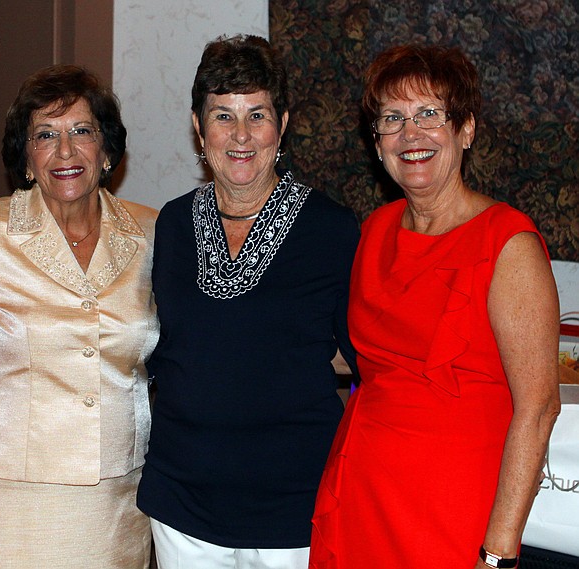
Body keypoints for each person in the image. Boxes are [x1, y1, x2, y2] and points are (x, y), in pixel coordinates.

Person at [309, 45, 561, 569]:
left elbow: (538, 409)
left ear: (465, 129)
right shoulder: (373, 232)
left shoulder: (507, 243)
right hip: (361, 497)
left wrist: (498, 553)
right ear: (376, 142)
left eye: (430, 114)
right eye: (393, 119)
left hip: (455, 515)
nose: (411, 134)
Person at [136, 35, 360, 569]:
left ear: (282, 124)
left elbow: (364, 363)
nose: (240, 136)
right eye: (222, 116)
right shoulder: (170, 224)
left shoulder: (331, 230)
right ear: (198, 126)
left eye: (256, 115)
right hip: (181, 504)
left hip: (290, 509)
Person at [0, 64, 158, 569]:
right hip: (14, 497)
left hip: (119, 498)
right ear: (26, 157)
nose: (65, 151)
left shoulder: (152, 233)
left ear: (106, 151)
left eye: (82, 131)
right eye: (46, 135)